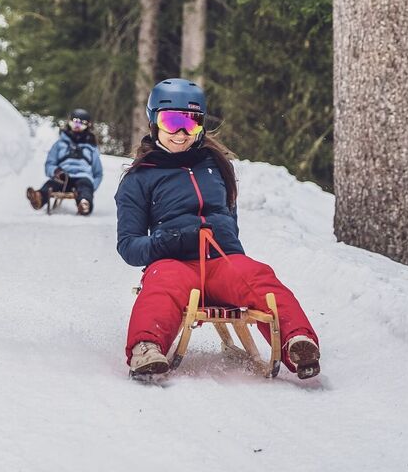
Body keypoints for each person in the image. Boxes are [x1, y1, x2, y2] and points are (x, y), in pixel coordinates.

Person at [115, 78, 321, 379]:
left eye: (192, 123)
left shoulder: (217, 167)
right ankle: (146, 347)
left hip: (220, 261)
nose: (182, 133)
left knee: (258, 276)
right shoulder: (139, 179)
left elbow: (230, 221)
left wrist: (229, 250)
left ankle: (298, 341)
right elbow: (129, 246)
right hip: (174, 261)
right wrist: (167, 242)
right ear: (154, 122)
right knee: (162, 286)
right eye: (172, 122)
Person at [26, 108, 104, 216]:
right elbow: (49, 163)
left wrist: (92, 186)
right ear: (70, 122)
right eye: (75, 122)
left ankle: (84, 203)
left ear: (88, 125)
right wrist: (55, 171)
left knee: (85, 187)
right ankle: (39, 197)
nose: (77, 126)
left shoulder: (91, 147)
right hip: (64, 176)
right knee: (51, 184)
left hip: (83, 176)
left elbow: (98, 172)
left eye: (82, 123)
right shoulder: (59, 144)